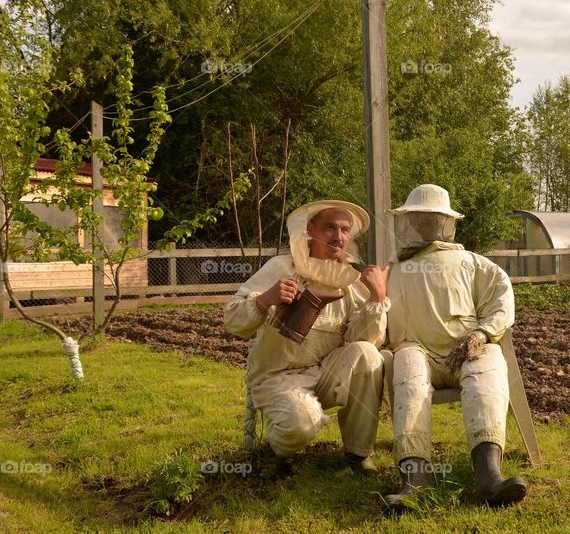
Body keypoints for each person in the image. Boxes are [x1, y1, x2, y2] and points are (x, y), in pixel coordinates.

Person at [384, 184, 526, 510]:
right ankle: (414, 481)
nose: (425, 225)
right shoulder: (392, 269)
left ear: (446, 223)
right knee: (407, 373)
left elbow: (501, 302)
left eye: (430, 219)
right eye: (419, 219)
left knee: (487, 371)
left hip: (467, 350)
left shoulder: (474, 263)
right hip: (416, 352)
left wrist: (482, 334)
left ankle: (489, 476)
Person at [224, 200, 390, 473]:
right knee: (301, 424)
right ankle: (280, 450)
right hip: (276, 376)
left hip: (324, 374)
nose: (338, 236)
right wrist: (266, 300)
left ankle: (358, 453)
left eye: (345, 230)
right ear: (310, 229)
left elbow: (366, 340)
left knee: (368, 355)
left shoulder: (350, 279)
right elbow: (232, 320)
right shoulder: (282, 267)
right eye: (329, 228)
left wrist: (377, 298)